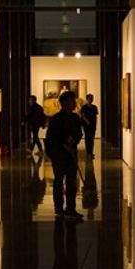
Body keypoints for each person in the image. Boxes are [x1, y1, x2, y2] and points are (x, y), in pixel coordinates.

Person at [45, 90, 85, 221]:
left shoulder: (75, 118)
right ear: (64, 103)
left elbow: (79, 133)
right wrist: (63, 144)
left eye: (74, 101)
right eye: (71, 101)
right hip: (59, 155)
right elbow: (51, 137)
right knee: (59, 181)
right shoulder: (56, 119)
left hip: (71, 154)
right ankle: (59, 209)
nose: (74, 103)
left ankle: (71, 208)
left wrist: (74, 140)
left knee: (71, 182)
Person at [79, 93, 99, 157]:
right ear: (87, 99)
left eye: (92, 98)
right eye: (89, 98)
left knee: (92, 139)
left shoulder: (94, 107)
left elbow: (95, 117)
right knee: (87, 138)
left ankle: (91, 152)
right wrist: (87, 121)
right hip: (86, 125)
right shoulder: (84, 107)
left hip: (92, 125)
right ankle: (88, 151)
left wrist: (95, 125)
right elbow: (82, 115)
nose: (91, 100)